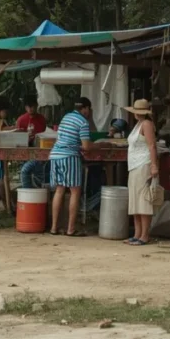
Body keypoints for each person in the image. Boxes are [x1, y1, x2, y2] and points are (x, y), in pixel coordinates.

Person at [49, 97, 96, 236]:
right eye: (89, 109)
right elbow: (87, 147)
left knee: (59, 190)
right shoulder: (83, 122)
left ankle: (54, 228)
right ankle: (70, 229)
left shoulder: (66, 117)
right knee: (75, 191)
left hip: (55, 155)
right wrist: (99, 145)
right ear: (86, 108)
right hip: (69, 157)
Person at [124, 98, 158, 245]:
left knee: (144, 200)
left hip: (144, 164)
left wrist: (154, 165)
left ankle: (145, 235)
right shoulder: (138, 125)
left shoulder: (147, 124)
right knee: (135, 200)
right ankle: (137, 233)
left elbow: (152, 146)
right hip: (134, 165)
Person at [17, 97, 49, 189]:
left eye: (32, 106)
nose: (30, 109)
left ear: (36, 106)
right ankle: (26, 189)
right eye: (28, 107)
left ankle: (39, 188)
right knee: (25, 171)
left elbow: (43, 134)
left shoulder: (42, 119)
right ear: (25, 108)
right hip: (24, 148)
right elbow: (17, 136)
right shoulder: (21, 120)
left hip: (39, 149)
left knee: (39, 173)